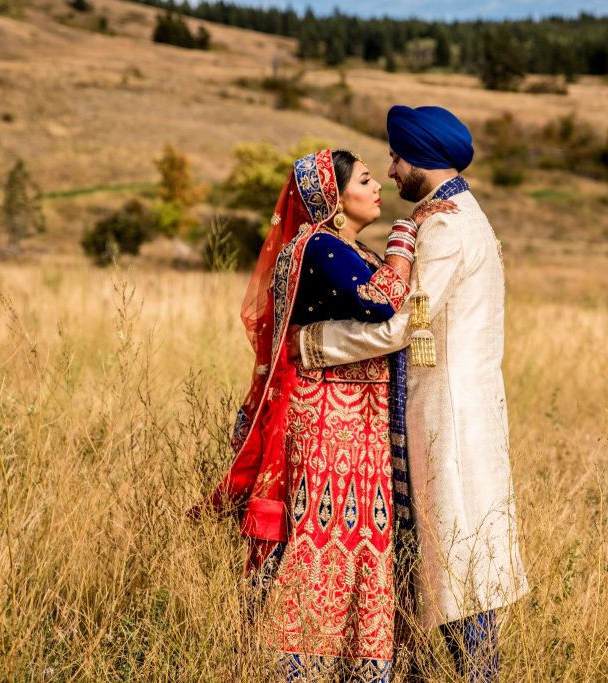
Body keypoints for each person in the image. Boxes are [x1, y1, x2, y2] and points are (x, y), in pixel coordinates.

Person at [196, 148, 453, 682]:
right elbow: (382, 303)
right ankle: (298, 667)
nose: (378, 185)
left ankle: (360, 665)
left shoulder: (349, 248)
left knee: (363, 537)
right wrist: (407, 239)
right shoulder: (316, 246)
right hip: (325, 417)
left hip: (359, 418)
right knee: (324, 534)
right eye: (364, 179)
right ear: (335, 200)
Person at [291, 106, 529, 681]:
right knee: (457, 558)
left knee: (456, 565)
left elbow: (404, 326)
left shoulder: (444, 226)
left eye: (396, 158)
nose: (392, 171)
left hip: (444, 414)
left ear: (420, 158)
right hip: (460, 408)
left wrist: (313, 343)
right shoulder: (460, 214)